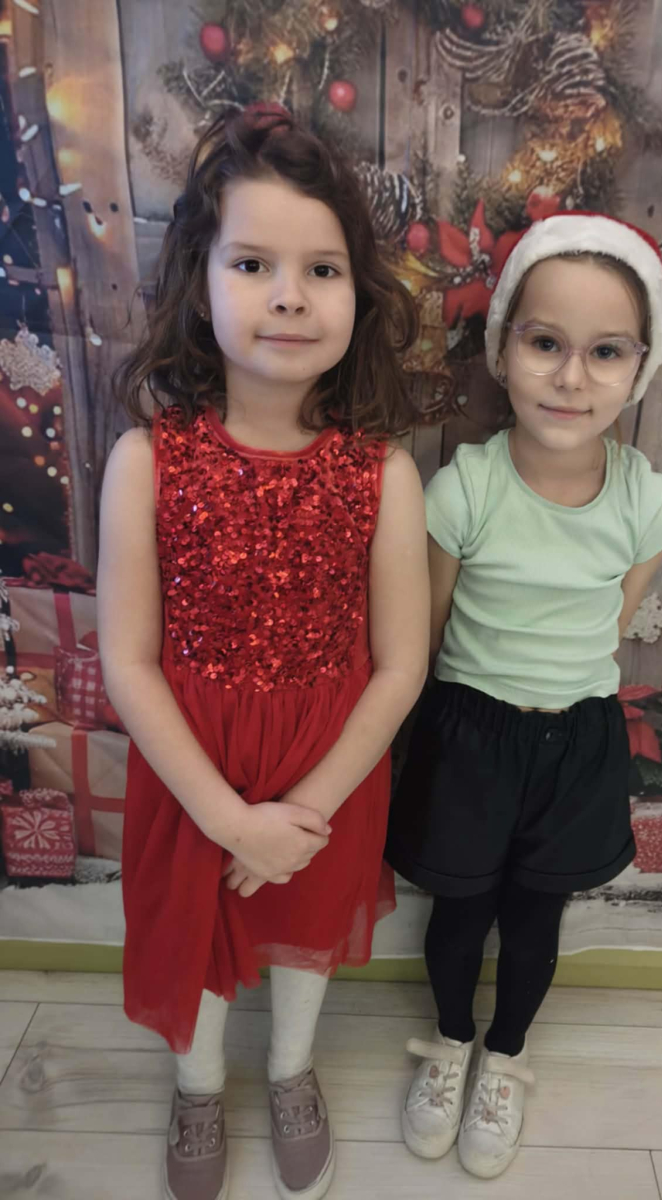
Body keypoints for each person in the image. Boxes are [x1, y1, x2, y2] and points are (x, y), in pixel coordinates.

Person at [97, 109, 429, 1200]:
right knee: (192, 932)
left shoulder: (384, 475)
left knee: (302, 927)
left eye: (321, 269)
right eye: (253, 264)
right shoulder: (146, 462)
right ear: (202, 284)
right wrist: (229, 818)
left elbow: (400, 666)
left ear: (357, 294)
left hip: (327, 770)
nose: (289, 295)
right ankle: (197, 1084)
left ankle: (290, 1067)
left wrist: (305, 812)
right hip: (190, 769)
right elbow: (129, 662)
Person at [386, 213, 662, 1179]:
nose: (571, 377)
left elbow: (612, 621)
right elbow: (429, 629)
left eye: (606, 352)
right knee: (460, 910)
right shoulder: (465, 489)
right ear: (504, 346)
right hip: (470, 736)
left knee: (534, 917)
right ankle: (448, 1043)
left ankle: (506, 1057)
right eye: (546, 342)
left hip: (577, 743)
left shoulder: (644, 501)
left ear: (640, 366)